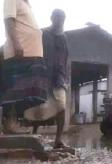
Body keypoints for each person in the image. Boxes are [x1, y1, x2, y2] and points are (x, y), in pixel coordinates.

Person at [24, 9, 68, 149]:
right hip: (43, 74)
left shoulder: (64, 38)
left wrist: (64, 75)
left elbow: (65, 57)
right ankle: (34, 135)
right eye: (57, 17)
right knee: (40, 105)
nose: (60, 20)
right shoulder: (42, 34)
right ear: (51, 18)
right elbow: (34, 51)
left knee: (61, 105)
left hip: (58, 76)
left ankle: (58, 141)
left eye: (62, 18)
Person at [1, 0, 46, 133]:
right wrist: (17, 44)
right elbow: (9, 21)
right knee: (12, 93)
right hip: (20, 53)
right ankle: (8, 125)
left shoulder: (26, 4)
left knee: (29, 94)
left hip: (31, 55)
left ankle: (15, 124)